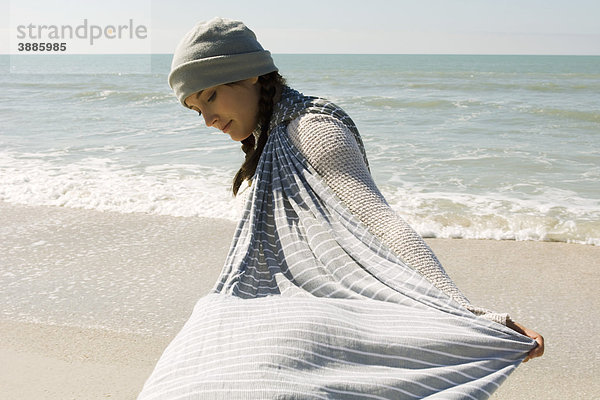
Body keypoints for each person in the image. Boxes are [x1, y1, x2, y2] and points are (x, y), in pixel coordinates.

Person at [138, 18, 543, 399]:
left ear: (251, 74)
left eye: (210, 96)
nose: (207, 119)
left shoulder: (312, 128)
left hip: (323, 308)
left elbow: (380, 219)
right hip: (285, 303)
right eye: (195, 108)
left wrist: (465, 312)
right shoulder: (270, 134)